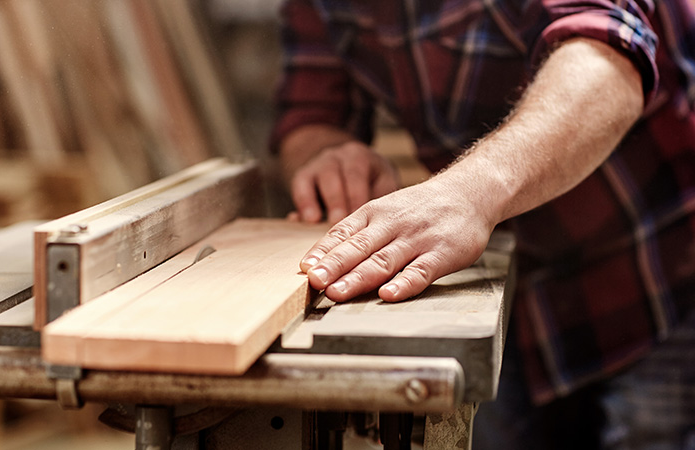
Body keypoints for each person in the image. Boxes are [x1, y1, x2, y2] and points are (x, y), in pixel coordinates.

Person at [270, 0, 695, 448]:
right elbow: (309, 111)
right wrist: (326, 154)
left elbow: (607, 62)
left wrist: (469, 194)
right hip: (517, 293)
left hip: (660, 270)